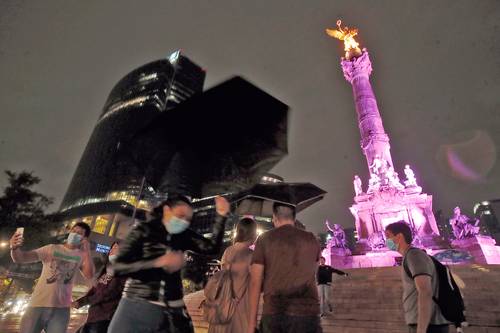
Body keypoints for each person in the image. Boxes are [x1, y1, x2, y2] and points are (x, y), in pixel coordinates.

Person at [108, 194, 230, 333]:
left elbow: (211, 247)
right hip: (137, 303)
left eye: (188, 219)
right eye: (180, 215)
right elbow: (116, 268)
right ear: (166, 210)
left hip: (173, 308)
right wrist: (157, 262)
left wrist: (221, 215)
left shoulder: (184, 235)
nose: (183, 221)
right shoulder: (143, 230)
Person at [247, 203, 322, 333]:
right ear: (294, 217)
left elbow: (255, 282)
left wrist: (251, 322)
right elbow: (314, 271)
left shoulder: (264, 239)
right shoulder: (311, 238)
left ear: (274, 217)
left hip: (275, 312)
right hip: (308, 314)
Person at [10, 222, 95, 333]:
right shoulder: (51, 249)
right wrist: (14, 248)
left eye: (79, 233)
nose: (75, 234)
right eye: (74, 231)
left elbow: (89, 275)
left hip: (61, 310)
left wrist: (87, 251)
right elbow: (21, 258)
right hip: (37, 305)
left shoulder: (81, 255)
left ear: (84, 238)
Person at [384, 221, 449, 333]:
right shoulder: (411, 256)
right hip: (424, 323)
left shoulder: (414, 255)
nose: (386, 241)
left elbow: (425, 291)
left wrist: (421, 329)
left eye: (388, 236)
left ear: (399, 236)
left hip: (429, 326)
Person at [208, 217, 257, 333]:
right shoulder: (252, 255)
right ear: (253, 234)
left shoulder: (228, 251)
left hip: (223, 305)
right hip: (241, 307)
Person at [73, 242, 126, 333]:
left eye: (116, 249)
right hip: (93, 317)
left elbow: (107, 294)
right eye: (112, 248)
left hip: (105, 318)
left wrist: (84, 301)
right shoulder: (107, 271)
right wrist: (79, 302)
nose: (112, 251)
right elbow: (95, 289)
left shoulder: (123, 273)